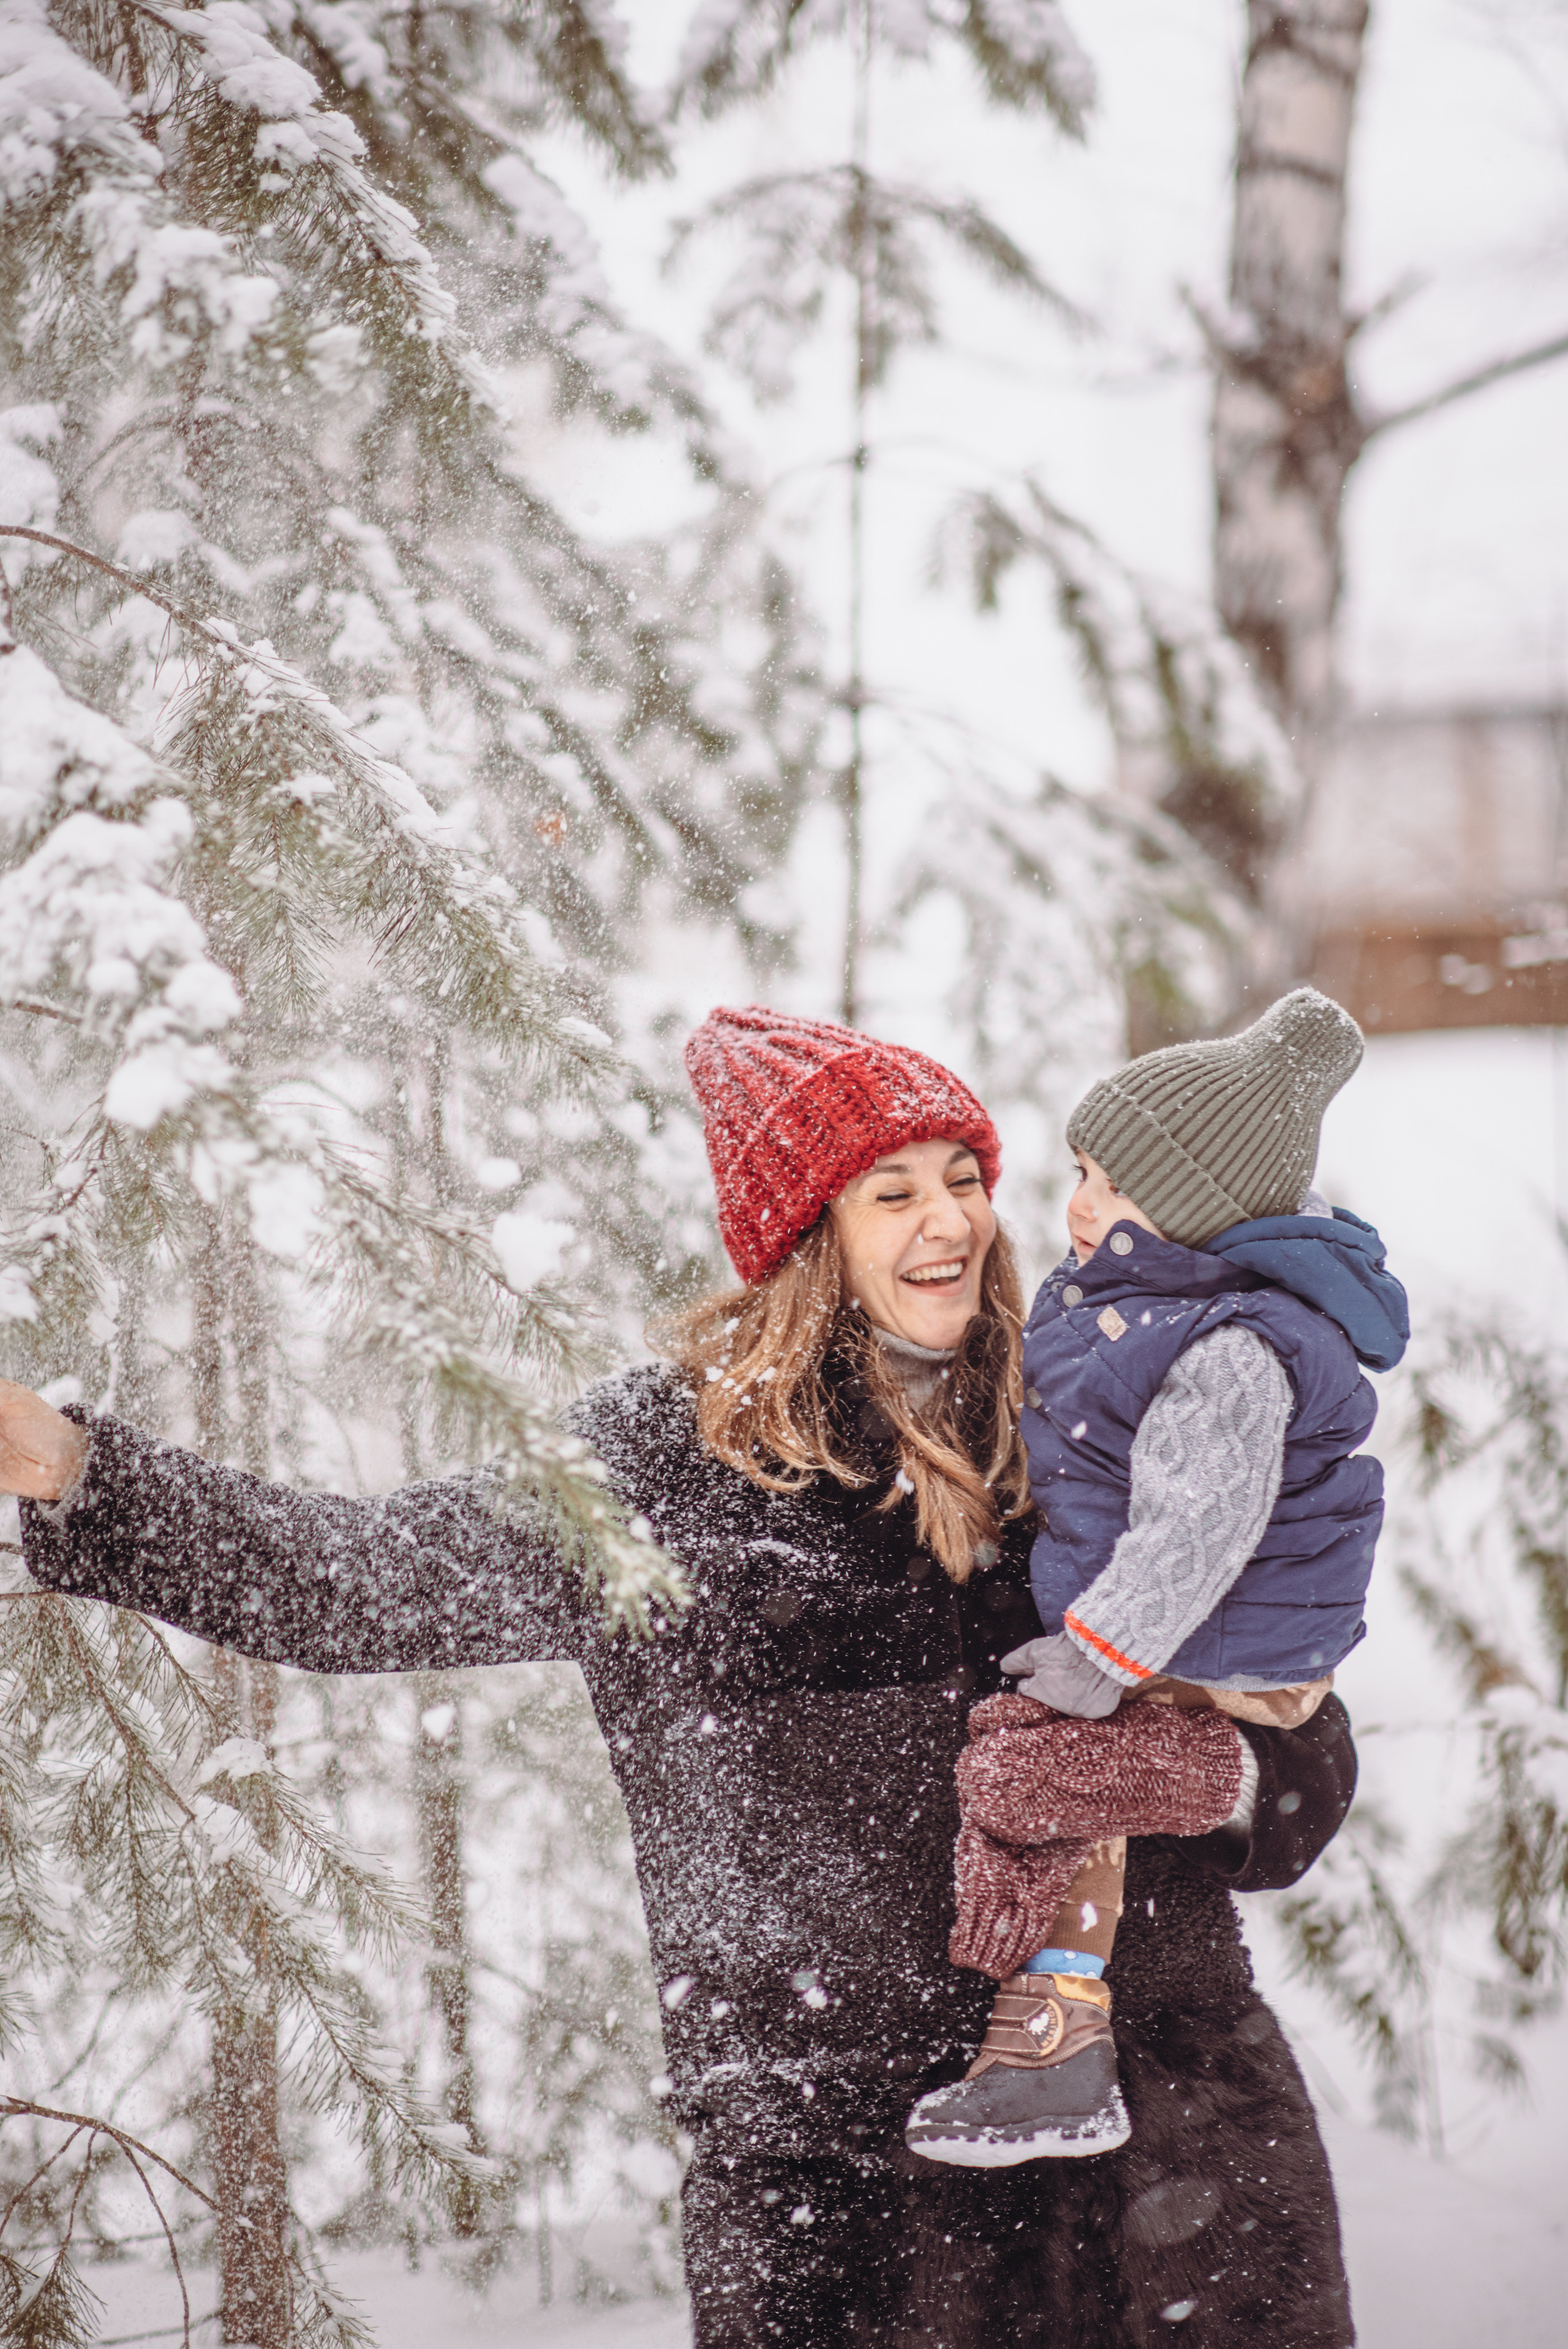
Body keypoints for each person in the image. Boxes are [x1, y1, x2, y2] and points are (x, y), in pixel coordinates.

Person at [4, 1004, 1359, 2349]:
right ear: (806, 1241)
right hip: (846, 2188)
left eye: (963, 1181)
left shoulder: (1096, 1398)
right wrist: (70, 1469)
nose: (947, 1223)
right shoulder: (670, 1464)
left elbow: (1296, 1741)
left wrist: (1211, 1771)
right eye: (890, 1194)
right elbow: (360, 1582)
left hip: (1176, 2144)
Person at [905, 989, 1408, 2173]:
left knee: (1047, 1762)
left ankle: (1053, 2048)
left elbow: (1197, 1531)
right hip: (1187, 1637)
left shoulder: (1226, 1347)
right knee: (1045, 1762)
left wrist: (1102, 1658)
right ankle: (1056, 2043)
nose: (1076, 1206)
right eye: (1079, 1169)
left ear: (1192, 1203)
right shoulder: (1145, 1311)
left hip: (1217, 1648)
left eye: (1111, 1184)